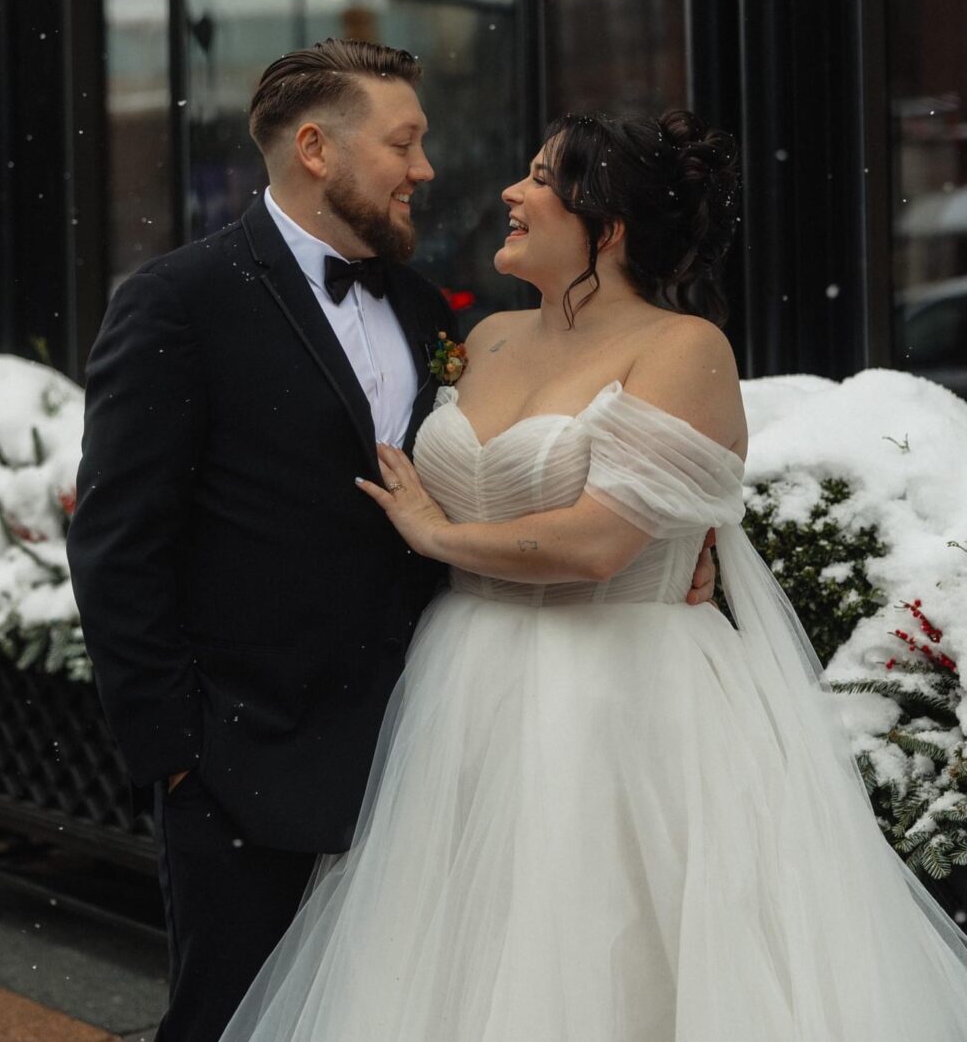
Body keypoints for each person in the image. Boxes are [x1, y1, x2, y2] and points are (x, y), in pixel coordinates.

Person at [220, 109, 967, 1042]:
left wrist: (435, 534)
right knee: (452, 960)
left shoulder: (681, 348)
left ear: (606, 228)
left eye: (540, 179)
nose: (510, 192)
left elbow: (597, 543)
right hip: (462, 688)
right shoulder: (485, 338)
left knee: (615, 953)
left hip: (624, 689)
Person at [65, 43, 716, 1042]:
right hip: (247, 759)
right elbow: (118, 544)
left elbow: (561, 461)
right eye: (403, 142)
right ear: (316, 148)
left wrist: (672, 534)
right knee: (231, 1019)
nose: (426, 169)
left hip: (433, 742)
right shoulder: (178, 301)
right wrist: (177, 755)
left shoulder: (430, 310)